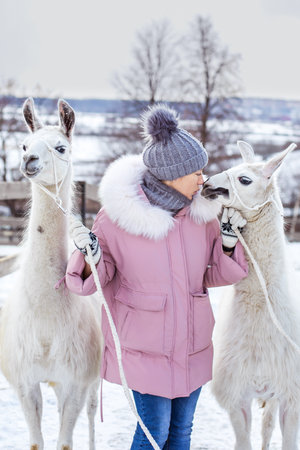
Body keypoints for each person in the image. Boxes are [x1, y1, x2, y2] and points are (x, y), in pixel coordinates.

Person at [65, 105, 248, 449]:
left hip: (193, 345)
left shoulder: (203, 215)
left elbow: (214, 275)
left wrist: (226, 244)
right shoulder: (117, 218)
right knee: (154, 432)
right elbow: (94, 281)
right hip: (144, 348)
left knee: (182, 431)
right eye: (195, 171)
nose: (202, 178)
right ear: (170, 173)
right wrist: (88, 255)